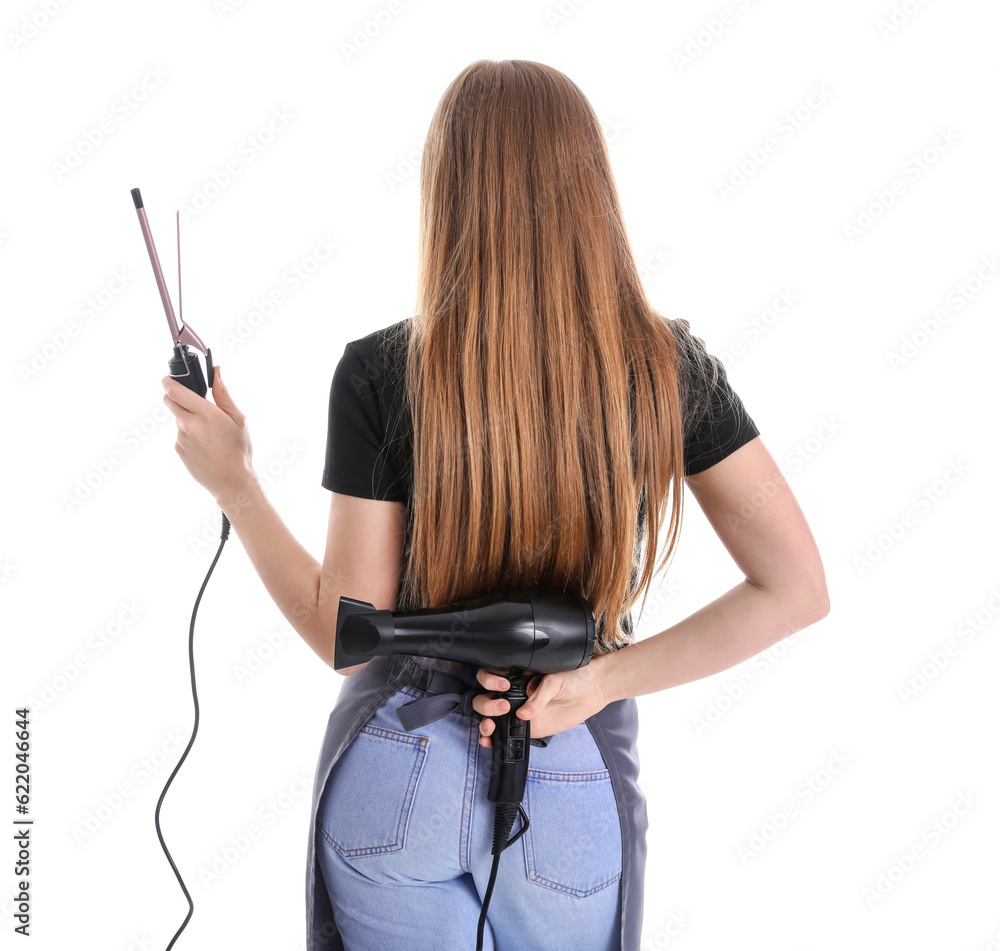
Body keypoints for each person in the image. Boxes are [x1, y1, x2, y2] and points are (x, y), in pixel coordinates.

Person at [161, 59, 829, 951]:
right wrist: (600, 681)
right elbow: (796, 588)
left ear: (447, 194)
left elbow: (344, 631)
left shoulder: (378, 371)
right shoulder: (665, 371)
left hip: (398, 777)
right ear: (592, 189)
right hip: (569, 782)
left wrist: (235, 486)